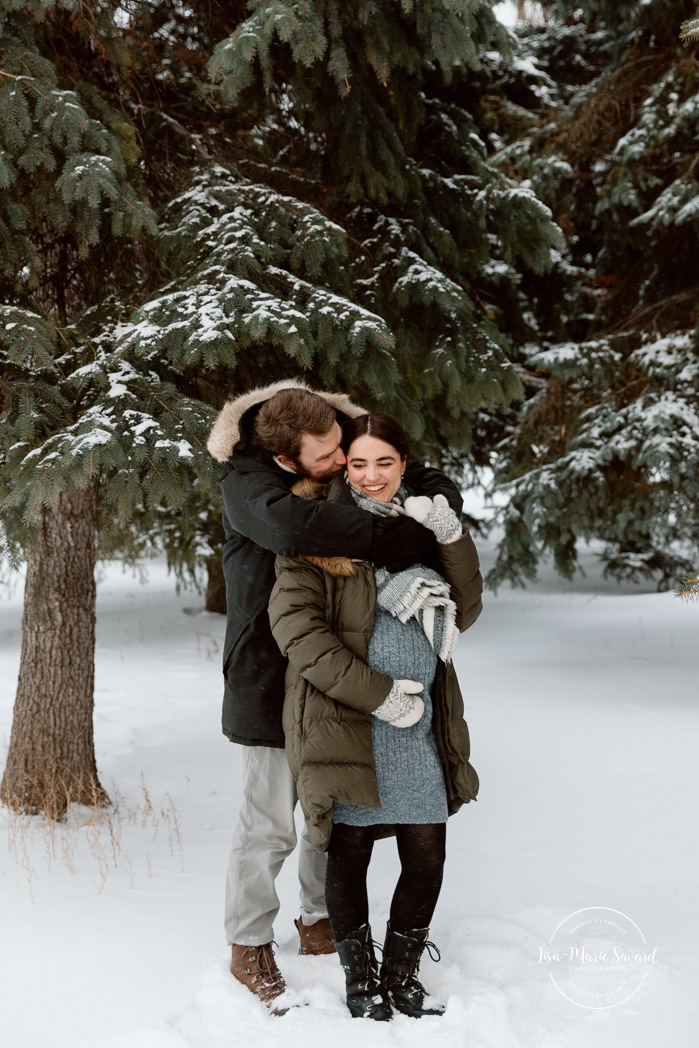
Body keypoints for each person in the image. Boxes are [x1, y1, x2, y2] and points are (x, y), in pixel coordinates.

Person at [206, 382, 464, 1011]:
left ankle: (318, 920)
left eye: (340, 446)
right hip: (270, 679)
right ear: (288, 459)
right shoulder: (248, 483)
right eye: (327, 457)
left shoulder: (334, 435)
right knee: (270, 821)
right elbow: (293, 525)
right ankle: (248, 944)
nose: (342, 461)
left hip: (335, 682)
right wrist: (390, 538)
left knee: (332, 810)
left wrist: (436, 506)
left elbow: (415, 467)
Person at [268, 413, 482, 1021]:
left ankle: (402, 975)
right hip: (348, 721)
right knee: (351, 852)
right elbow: (299, 634)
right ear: (344, 467)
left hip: (419, 723)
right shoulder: (313, 532)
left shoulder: (421, 529)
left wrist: (451, 534)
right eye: (358, 463)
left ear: (404, 464)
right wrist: (379, 694)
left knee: (426, 852)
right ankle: (360, 980)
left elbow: (464, 610)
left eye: (383, 463)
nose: (370, 476)